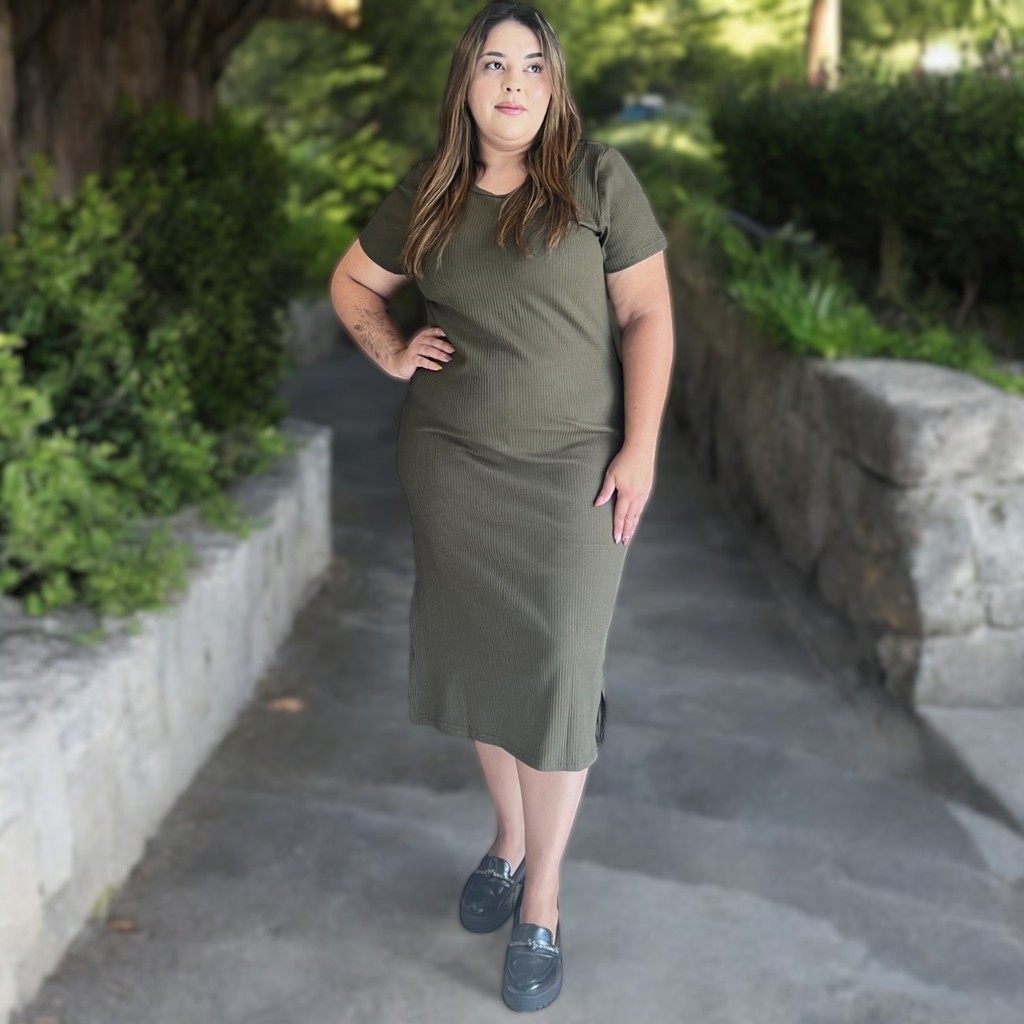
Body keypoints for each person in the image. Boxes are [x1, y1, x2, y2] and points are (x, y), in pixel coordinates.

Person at [329, 1, 673, 1011]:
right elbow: (352, 285)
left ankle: (544, 902)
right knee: (485, 663)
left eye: (530, 65)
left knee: (558, 671)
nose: (512, 82)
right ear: (467, 83)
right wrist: (392, 350)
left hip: (576, 470)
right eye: (493, 64)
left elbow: (646, 311)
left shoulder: (596, 178)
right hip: (453, 464)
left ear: (553, 84)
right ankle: (511, 842)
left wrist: (642, 446)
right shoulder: (430, 190)